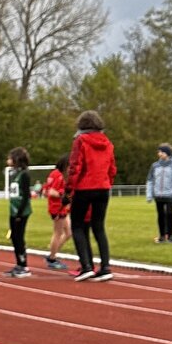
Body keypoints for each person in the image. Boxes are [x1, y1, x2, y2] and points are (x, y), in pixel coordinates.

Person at [65, 109, 116, 282]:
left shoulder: (81, 141)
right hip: (103, 187)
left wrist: (68, 190)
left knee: (77, 225)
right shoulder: (108, 143)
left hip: (84, 187)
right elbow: (112, 168)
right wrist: (107, 182)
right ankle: (105, 266)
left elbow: (75, 166)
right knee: (99, 226)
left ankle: (86, 265)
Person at [5, 146, 32, 276]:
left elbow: (26, 195)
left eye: (10, 158)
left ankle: (23, 265)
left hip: (21, 211)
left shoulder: (24, 174)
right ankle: (18, 263)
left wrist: (20, 213)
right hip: (13, 210)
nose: (7, 160)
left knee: (18, 237)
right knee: (14, 238)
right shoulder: (14, 174)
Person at [146, 144, 172, 244]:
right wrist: (149, 194)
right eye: (159, 152)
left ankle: (170, 235)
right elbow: (150, 180)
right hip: (158, 195)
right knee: (160, 215)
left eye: (162, 152)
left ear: (167, 154)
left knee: (169, 214)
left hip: (170, 194)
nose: (159, 154)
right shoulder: (155, 166)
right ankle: (161, 235)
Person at [43, 154, 70, 268]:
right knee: (58, 233)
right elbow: (51, 192)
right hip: (58, 208)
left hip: (59, 207)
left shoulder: (53, 174)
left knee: (69, 232)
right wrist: (62, 195)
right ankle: (52, 258)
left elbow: (45, 190)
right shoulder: (59, 175)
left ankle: (52, 253)